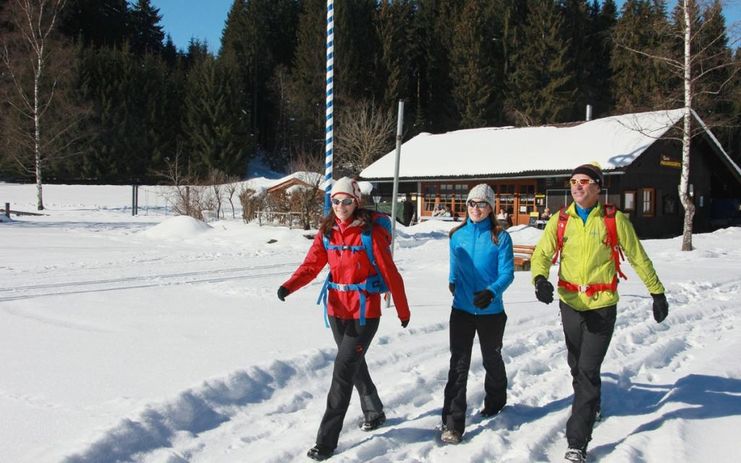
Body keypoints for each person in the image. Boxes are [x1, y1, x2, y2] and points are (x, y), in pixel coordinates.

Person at [530, 163, 669, 463]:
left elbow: (638, 257)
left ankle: (577, 442)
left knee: (588, 371)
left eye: (583, 181)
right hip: (569, 303)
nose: (577, 186)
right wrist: (540, 279)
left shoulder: (613, 220)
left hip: (602, 305)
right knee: (576, 365)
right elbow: (542, 253)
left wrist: (657, 292)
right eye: (573, 182)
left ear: (597, 187)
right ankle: (592, 404)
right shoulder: (561, 220)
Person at [277, 177, 411, 461]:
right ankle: (374, 411)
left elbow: (389, 272)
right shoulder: (327, 232)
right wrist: (289, 285)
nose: (340, 206)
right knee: (352, 363)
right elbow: (312, 264)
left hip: (365, 313)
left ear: (356, 202)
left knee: (341, 373)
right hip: (336, 311)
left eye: (346, 201)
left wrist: (402, 309)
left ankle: (326, 441)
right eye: (335, 201)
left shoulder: (369, 234)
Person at [441, 183, 515, 444]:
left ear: (490, 207)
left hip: (491, 311)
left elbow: (508, 273)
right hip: (461, 309)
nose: (475, 208)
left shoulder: (500, 237)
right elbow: (454, 263)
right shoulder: (457, 235)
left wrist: (491, 292)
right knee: (458, 365)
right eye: (471, 203)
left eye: (481, 204)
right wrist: (452, 280)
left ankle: (495, 400)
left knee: (491, 359)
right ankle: (452, 423)